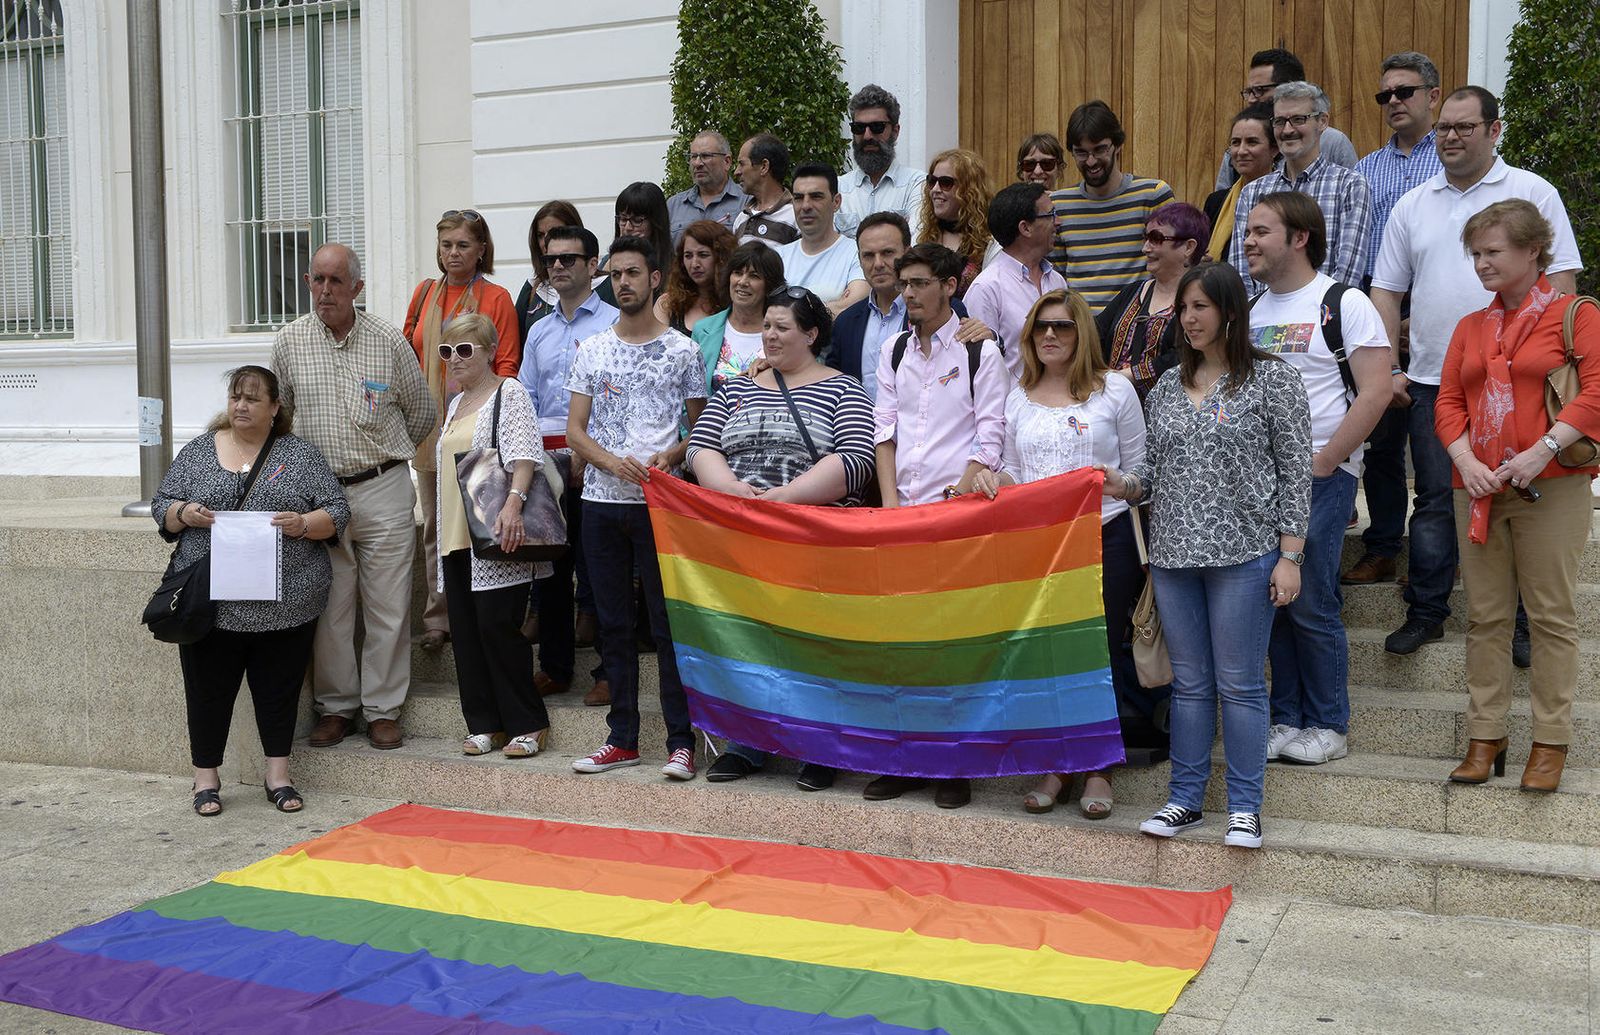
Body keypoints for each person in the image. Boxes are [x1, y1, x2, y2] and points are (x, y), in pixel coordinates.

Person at [1102, 262, 1312, 850]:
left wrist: (1291, 555)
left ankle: (1244, 808)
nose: (1189, 319)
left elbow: (1297, 472)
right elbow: (1152, 472)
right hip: (1173, 556)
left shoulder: (1273, 379)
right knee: (1190, 686)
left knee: (1240, 685)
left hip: (1246, 553)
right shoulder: (1168, 386)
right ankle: (1184, 800)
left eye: (1201, 307)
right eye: (1183, 309)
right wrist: (1123, 484)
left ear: (1229, 311)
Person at [1368, 86, 1583, 656]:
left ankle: (1524, 623)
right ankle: (1427, 611)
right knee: (1436, 498)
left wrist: (1556, 370)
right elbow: (1386, 290)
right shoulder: (1413, 203)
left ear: (1494, 130)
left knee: (1526, 494)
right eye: (1444, 127)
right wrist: (1391, 367)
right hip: (1437, 380)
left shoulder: (1533, 191)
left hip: (1525, 383)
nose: (1451, 137)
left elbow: (1562, 283)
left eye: (1465, 127)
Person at [1436, 200, 1600, 793]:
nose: (1481, 263)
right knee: (1486, 617)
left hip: (1550, 485)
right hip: (1479, 487)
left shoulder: (1576, 314)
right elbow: (1448, 401)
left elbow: (1596, 392)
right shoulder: (1470, 326)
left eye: (1493, 251)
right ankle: (1486, 736)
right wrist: (1466, 461)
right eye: (1475, 254)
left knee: (1551, 616)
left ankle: (1550, 742)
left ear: (1533, 250)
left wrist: (1541, 450)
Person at [691, 286, 876, 791]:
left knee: (812, 647)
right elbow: (702, 446)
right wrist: (734, 492)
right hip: (740, 541)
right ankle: (747, 743)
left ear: (812, 334)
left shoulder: (845, 389)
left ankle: (819, 748)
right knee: (748, 644)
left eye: (781, 327)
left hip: (812, 543)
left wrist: (783, 500)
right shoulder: (736, 388)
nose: (769, 336)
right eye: (766, 327)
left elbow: (856, 461)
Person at [972, 290, 1146, 819]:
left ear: (1082, 333)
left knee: (1097, 652)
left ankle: (1098, 767)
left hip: (1105, 536)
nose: (1050, 335)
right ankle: (1057, 764)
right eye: (1041, 326)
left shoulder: (1115, 389)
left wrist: (1120, 483)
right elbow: (1014, 472)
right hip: (1039, 544)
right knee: (1049, 657)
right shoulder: (1017, 395)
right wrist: (992, 479)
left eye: (1063, 326)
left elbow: (1145, 474)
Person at [153, 366, 350, 816]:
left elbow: (338, 511)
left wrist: (303, 524)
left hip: (287, 603)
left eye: (252, 399)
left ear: (275, 408)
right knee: (207, 692)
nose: (240, 406)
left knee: (278, 691)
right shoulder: (199, 451)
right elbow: (162, 505)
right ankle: (206, 779)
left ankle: (278, 776)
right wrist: (185, 512)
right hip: (211, 605)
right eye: (235, 397)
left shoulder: (299, 455)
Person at [1243, 192, 1393, 766]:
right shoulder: (1251, 310)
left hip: (1320, 474)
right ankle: (1286, 717)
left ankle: (1329, 724)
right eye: (1248, 231)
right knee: (1274, 598)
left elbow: (1377, 389)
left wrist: (1328, 459)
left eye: (1261, 231)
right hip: (1261, 480)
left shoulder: (1343, 302)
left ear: (1300, 237)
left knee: (1310, 600)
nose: (1248, 241)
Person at [273, 243, 433, 751]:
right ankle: (336, 707)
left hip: (383, 486)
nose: (325, 291)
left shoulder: (387, 340)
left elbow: (421, 412)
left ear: (357, 287)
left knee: (389, 606)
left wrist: (384, 457)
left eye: (336, 281)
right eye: (317, 280)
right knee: (332, 609)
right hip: (320, 499)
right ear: (307, 282)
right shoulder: (289, 342)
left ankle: (383, 710)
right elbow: (282, 419)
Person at [868, 242, 1008, 810]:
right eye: (905, 283)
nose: (909, 293)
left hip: (958, 520)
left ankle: (954, 764)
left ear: (950, 286)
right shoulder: (893, 348)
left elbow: (991, 436)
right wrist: (889, 510)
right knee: (901, 645)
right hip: (901, 516)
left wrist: (953, 503)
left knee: (954, 647)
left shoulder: (980, 351)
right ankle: (906, 759)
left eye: (921, 282)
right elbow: (884, 432)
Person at [566, 235, 708, 780]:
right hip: (601, 504)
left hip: (662, 505)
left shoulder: (683, 350)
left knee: (668, 624)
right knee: (613, 624)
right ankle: (621, 738)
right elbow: (575, 432)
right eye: (616, 274)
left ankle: (681, 742)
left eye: (632, 272)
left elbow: (700, 428)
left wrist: (671, 455)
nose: (623, 282)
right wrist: (610, 462)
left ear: (655, 279)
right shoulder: (593, 349)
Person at [1343, 52, 1443, 587]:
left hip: (1439, 308)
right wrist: (1380, 323)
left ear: (1433, 95)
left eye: (1405, 91)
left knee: (1436, 442)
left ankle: (1436, 557)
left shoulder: (1452, 159)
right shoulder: (1366, 169)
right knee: (1381, 439)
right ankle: (1382, 547)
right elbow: (1360, 250)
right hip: (1377, 307)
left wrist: (1420, 316)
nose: (1394, 102)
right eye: (1386, 95)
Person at [434, 313, 553, 759]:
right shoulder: (455, 404)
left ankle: (527, 722)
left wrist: (513, 505)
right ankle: (484, 723)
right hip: (455, 533)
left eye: (465, 349)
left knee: (498, 627)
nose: (455, 358)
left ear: (489, 352)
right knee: (466, 633)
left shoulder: (509, 392)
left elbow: (526, 456)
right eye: (447, 351)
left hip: (495, 530)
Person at [404, 209, 522, 655]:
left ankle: (475, 609)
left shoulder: (496, 297)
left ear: (481, 249)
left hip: (478, 427)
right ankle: (439, 616)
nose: (453, 253)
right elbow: (409, 354)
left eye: (463, 245)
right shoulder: (423, 294)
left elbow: (507, 364)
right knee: (436, 524)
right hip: (431, 427)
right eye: (446, 245)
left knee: (476, 522)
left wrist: (487, 415)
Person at [517, 226, 618, 707]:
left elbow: (616, 399)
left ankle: (609, 672)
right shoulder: (539, 329)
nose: (557, 266)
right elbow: (525, 397)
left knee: (600, 570)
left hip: (598, 459)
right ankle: (555, 668)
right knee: (550, 570)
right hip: (545, 461)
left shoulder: (614, 323)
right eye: (550, 259)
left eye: (569, 259)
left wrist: (586, 450)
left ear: (593, 265)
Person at [1229, 82, 1372, 295]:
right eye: (1280, 121)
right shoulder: (1252, 192)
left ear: (1322, 121)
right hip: (1262, 314)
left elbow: (1347, 274)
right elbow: (1240, 274)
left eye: (1298, 119)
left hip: (1324, 312)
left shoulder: (1349, 185)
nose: (1288, 130)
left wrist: (1310, 310)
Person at [1048, 100, 1176, 312]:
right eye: (1081, 153)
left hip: (1137, 322)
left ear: (1117, 145)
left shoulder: (1153, 195)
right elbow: (1056, 278)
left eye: (1099, 150)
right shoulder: (1059, 204)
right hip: (1082, 326)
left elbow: (1173, 265)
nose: (1091, 161)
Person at [1094, 202, 1208, 400]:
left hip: (1168, 410)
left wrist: (1128, 376)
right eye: (1145, 238)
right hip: (1112, 403)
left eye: (1156, 239)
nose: (1145, 248)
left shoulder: (1203, 301)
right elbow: (1094, 333)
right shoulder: (1133, 292)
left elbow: (1188, 355)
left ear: (1188, 247)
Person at [963, 182, 1066, 380]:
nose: (1058, 221)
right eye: (1051, 215)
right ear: (1025, 228)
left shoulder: (1057, 281)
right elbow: (978, 365)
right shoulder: (986, 288)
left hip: (1058, 396)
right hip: (1009, 398)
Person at [1217, 48, 1358, 190]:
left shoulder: (1332, 142)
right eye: (1249, 92)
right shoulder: (1240, 145)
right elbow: (1224, 198)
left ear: (1290, 89)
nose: (1251, 99)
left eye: (1260, 90)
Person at [693, 239, 786, 394]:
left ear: (770, 285)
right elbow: (690, 394)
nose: (742, 282)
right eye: (737, 273)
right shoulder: (703, 330)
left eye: (754, 276)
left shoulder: (786, 333)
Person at [774, 163, 869, 314]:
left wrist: (787, 311)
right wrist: (831, 306)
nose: (806, 206)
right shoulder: (778, 257)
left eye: (816, 197)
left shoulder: (857, 254)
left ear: (836, 202)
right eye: (798, 198)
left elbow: (852, 308)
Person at [838, 83, 926, 237]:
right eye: (859, 128)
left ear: (895, 131)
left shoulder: (916, 184)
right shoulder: (838, 188)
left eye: (877, 127)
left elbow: (915, 241)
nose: (867, 136)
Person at [913, 148, 999, 298]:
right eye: (932, 181)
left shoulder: (990, 242)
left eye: (946, 183)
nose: (935, 189)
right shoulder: (921, 235)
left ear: (969, 190)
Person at [1204, 104, 1278, 263]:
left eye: (1252, 142)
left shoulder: (1284, 200)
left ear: (1274, 149)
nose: (1241, 151)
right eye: (1236, 142)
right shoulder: (1216, 202)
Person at [513, 200, 584, 344]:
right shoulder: (533, 289)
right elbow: (517, 348)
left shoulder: (603, 286)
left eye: (554, 233)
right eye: (540, 235)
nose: (545, 242)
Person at [654, 219, 735, 335]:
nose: (694, 264)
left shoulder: (735, 304)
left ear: (721, 257)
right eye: (688, 256)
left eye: (703, 255)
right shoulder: (667, 304)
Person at [599, 182, 674, 307]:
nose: (628, 227)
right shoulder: (608, 261)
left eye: (637, 220)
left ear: (655, 223)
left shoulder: (673, 265)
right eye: (623, 219)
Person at [666, 129, 746, 241]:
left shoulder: (747, 202)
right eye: (693, 156)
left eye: (706, 156)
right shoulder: (673, 206)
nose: (697, 163)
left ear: (727, 162)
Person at [732, 133, 799, 247]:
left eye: (742, 164)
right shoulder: (741, 219)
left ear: (764, 166)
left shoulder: (796, 216)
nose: (736, 172)